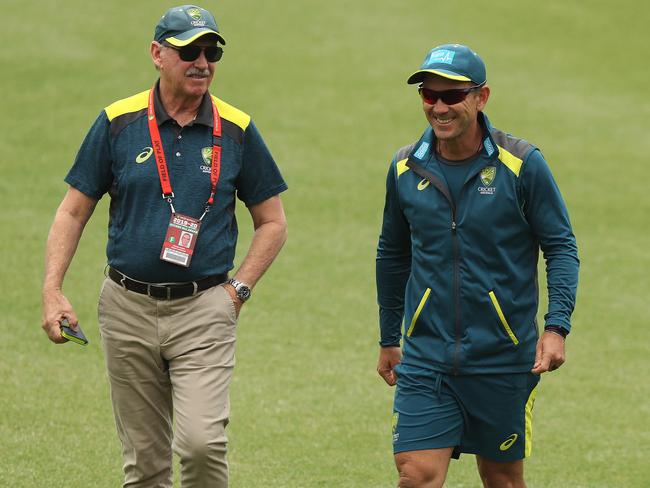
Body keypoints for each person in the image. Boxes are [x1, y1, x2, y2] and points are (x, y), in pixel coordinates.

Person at [41, 5, 288, 487]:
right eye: (188, 51)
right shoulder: (118, 121)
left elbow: (273, 222)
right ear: (157, 54)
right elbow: (73, 210)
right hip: (126, 308)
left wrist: (237, 291)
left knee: (201, 445)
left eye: (211, 51)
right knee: (145, 464)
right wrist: (53, 290)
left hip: (204, 310)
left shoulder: (235, 127)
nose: (202, 61)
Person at [376, 44, 579, 488]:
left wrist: (556, 327)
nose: (440, 107)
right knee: (416, 476)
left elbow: (560, 246)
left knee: (502, 479)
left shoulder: (522, 165)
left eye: (453, 96)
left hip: (503, 358)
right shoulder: (405, 168)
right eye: (430, 96)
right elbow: (392, 255)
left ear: (481, 97)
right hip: (426, 357)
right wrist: (390, 337)